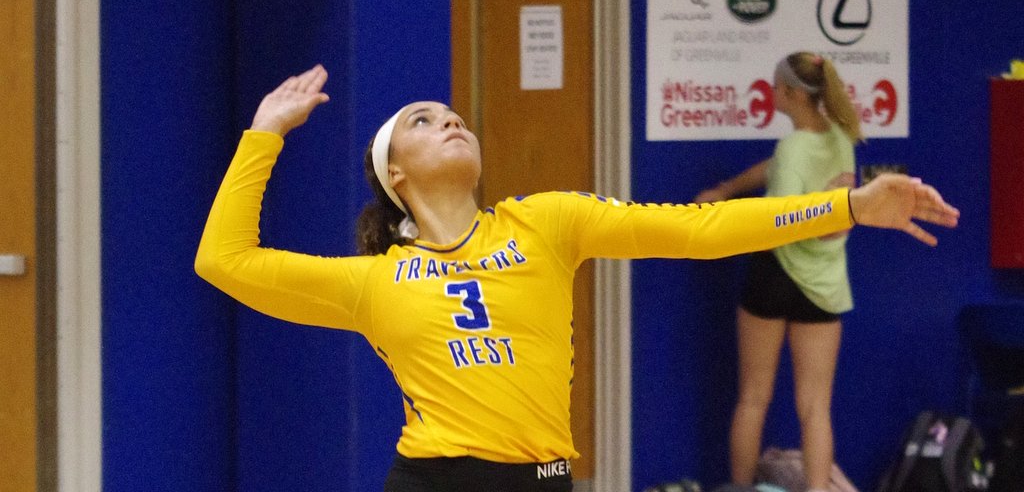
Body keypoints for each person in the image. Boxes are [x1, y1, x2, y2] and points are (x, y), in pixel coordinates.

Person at [196, 64, 958, 492]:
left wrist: (849, 206)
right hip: (432, 480)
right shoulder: (372, 281)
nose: (451, 120)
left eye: (455, 114)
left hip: (542, 477)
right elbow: (223, 261)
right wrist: (264, 135)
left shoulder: (546, 221)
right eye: (423, 120)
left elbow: (701, 231)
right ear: (394, 174)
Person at [695, 52, 865, 492]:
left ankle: (740, 488)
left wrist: (720, 222)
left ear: (792, 94)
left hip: (774, 277)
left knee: (753, 398)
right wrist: (728, 189)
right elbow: (775, 169)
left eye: (775, 87)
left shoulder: (793, 148)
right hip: (824, 284)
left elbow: (779, 221)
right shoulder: (841, 139)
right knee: (816, 407)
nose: (770, 93)